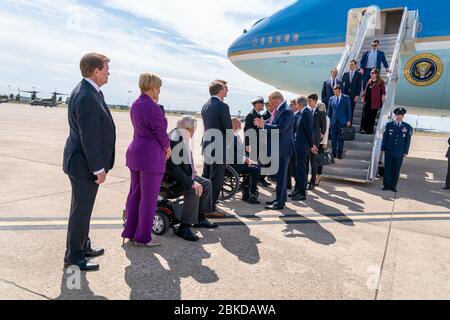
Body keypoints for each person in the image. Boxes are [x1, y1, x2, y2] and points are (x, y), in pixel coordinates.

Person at [63, 53, 116, 271]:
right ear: (95, 71)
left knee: (83, 209)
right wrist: (98, 168)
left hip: (81, 162)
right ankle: (74, 256)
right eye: (106, 69)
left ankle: (83, 246)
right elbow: (89, 137)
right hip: (84, 164)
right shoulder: (86, 95)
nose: (108, 72)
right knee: (81, 211)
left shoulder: (90, 92)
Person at [122, 73, 171, 248]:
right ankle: (143, 237)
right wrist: (167, 148)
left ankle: (130, 230)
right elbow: (160, 132)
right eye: (158, 88)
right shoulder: (152, 107)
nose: (159, 91)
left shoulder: (136, 104)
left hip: (135, 152)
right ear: (151, 87)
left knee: (135, 195)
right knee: (149, 199)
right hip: (150, 156)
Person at [165, 116, 218, 242]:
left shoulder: (181, 136)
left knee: (206, 183)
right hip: (170, 181)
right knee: (193, 189)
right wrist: (191, 182)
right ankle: (184, 226)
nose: (195, 132)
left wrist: (192, 172)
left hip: (182, 176)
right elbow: (172, 168)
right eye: (195, 129)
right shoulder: (174, 139)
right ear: (188, 129)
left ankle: (200, 218)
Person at [255, 91, 294, 210]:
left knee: (281, 177)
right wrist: (264, 122)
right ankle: (279, 199)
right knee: (279, 176)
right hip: (279, 148)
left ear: (277, 99)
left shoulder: (286, 111)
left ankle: (280, 203)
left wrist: (264, 125)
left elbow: (280, 128)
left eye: (271, 101)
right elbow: (273, 122)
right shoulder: (280, 110)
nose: (270, 104)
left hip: (282, 149)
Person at [201, 81, 233, 216]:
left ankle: (203, 204)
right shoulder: (222, 106)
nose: (227, 90)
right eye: (226, 88)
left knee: (207, 176)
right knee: (216, 178)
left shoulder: (205, 105)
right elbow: (228, 128)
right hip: (219, 147)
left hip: (208, 144)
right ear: (220, 90)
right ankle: (210, 208)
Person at [381, 107, 413, 193]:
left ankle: (393, 186)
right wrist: (383, 148)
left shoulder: (407, 127)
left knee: (396, 170)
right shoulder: (389, 125)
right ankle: (386, 185)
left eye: (401, 115)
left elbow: (408, 140)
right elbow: (385, 138)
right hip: (389, 151)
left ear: (403, 116)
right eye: (398, 115)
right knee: (387, 168)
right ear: (395, 115)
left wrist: (406, 151)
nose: (399, 116)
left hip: (399, 152)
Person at [232, 117, 261, 204]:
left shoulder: (235, 135)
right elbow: (231, 153)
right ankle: (251, 193)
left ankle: (245, 186)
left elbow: (239, 151)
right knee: (255, 169)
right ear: (233, 124)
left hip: (238, 160)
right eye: (239, 123)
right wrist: (245, 159)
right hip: (233, 163)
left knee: (257, 165)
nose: (241, 125)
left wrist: (247, 158)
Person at [290, 96, 315, 201]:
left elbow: (309, 130)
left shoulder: (306, 113)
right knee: (297, 169)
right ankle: (297, 189)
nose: (295, 106)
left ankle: (302, 193)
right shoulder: (302, 113)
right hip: (299, 145)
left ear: (299, 104)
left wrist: (312, 145)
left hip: (303, 146)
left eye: (296, 104)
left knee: (301, 170)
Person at [244, 97, 271, 187]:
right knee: (251, 165)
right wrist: (247, 145)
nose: (263, 105)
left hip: (258, 144)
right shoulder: (251, 115)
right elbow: (247, 131)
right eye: (262, 104)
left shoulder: (258, 115)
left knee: (255, 164)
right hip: (252, 145)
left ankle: (252, 184)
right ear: (257, 104)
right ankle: (247, 185)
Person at [307, 94, 327, 190]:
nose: (308, 102)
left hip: (315, 141)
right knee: (305, 162)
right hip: (306, 140)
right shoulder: (307, 111)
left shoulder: (320, 112)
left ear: (315, 101)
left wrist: (319, 139)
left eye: (310, 100)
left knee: (314, 162)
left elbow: (324, 127)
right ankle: (305, 181)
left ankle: (312, 182)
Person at [327, 85, 352, 160]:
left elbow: (349, 110)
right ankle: (334, 153)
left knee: (341, 139)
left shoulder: (346, 98)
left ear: (340, 91)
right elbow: (329, 111)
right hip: (333, 122)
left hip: (342, 121)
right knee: (333, 138)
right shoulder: (331, 98)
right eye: (334, 92)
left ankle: (340, 153)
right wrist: (328, 121)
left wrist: (349, 120)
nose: (335, 93)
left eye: (337, 92)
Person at [361, 69, 386, 134]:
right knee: (365, 116)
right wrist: (363, 97)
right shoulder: (369, 80)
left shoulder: (381, 81)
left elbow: (383, 91)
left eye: (372, 73)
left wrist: (383, 97)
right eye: (371, 73)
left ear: (376, 74)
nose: (371, 74)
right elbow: (365, 90)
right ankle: (363, 129)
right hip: (367, 101)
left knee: (372, 117)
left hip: (374, 103)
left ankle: (369, 130)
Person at [316, 102, 331, 187]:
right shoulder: (317, 116)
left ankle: (318, 178)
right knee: (315, 161)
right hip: (316, 141)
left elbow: (326, 132)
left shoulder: (327, 118)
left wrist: (325, 143)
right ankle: (315, 177)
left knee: (320, 162)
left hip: (322, 142)